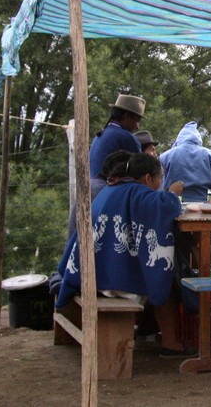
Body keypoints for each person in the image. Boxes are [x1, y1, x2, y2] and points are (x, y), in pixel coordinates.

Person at [56, 151, 191, 357]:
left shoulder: (110, 190)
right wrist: (173, 192)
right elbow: (167, 205)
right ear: (147, 178)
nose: (159, 184)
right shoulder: (141, 195)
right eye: (159, 179)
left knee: (156, 273)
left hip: (89, 275)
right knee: (167, 279)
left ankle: (150, 332)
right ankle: (171, 342)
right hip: (113, 283)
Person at [65, 94, 145, 241]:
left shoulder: (102, 135)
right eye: (137, 120)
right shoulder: (127, 138)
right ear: (126, 116)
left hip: (89, 190)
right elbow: (140, 173)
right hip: (107, 196)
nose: (137, 126)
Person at [160, 121, 211, 202]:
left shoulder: (164, 157)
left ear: (179, 139)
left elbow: (159, 189)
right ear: (198, 139)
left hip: (173, 208)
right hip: (204, 210)